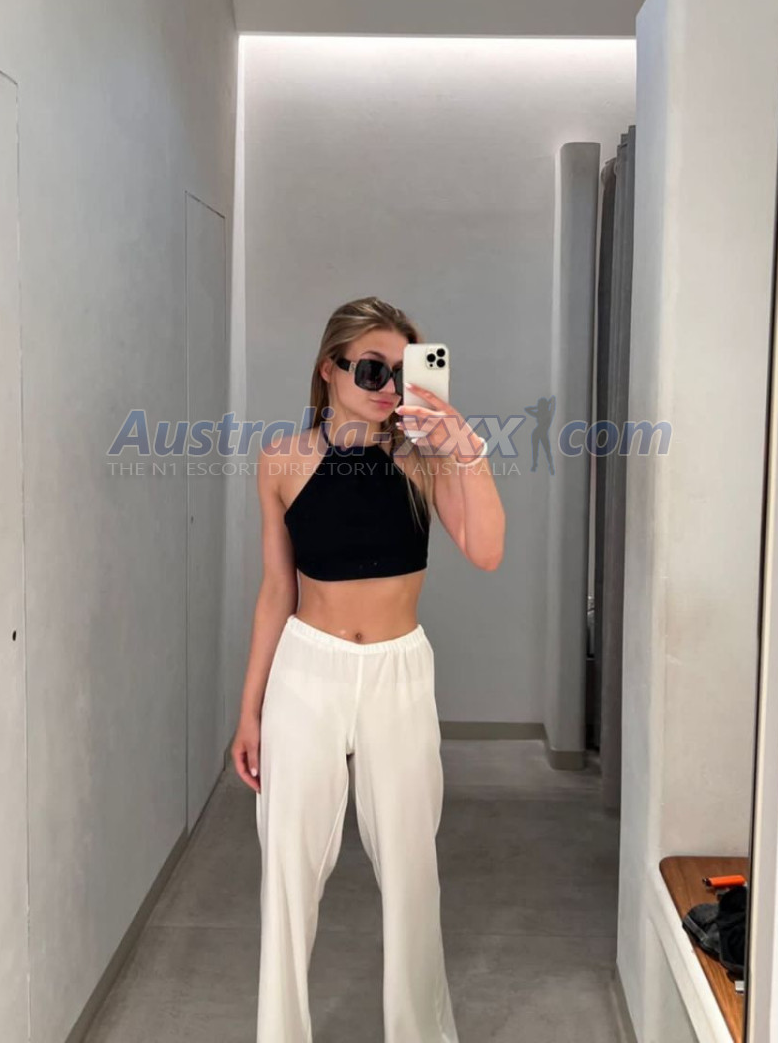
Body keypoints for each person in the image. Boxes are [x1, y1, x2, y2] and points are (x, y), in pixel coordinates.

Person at [230, 295, 505, 1042]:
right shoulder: (281, 460)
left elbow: (486, 551)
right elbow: (276, 591)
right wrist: (250, 711)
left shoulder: (423, 458)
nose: (387, 387)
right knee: (287, 873)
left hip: (397, 673)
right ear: (330, 368)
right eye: (372, 369)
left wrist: (463, 447)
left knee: (412, 870)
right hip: (305, 672)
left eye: (401, 371)